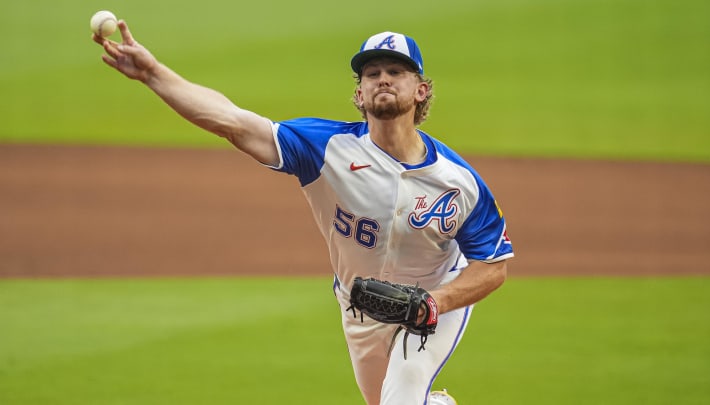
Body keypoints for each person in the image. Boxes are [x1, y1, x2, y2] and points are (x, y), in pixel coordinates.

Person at [93, 23, 514, 405]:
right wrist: (153, 74)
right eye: (371, 73)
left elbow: (493, 265)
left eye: (396, 71)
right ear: (359, 94)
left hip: (432, 303)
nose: (382, 78)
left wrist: (434, 302)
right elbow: (232, 122)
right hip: (360, 309)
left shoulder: (458, 182)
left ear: (420, 89)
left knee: (400, 400)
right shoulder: (326, 148)